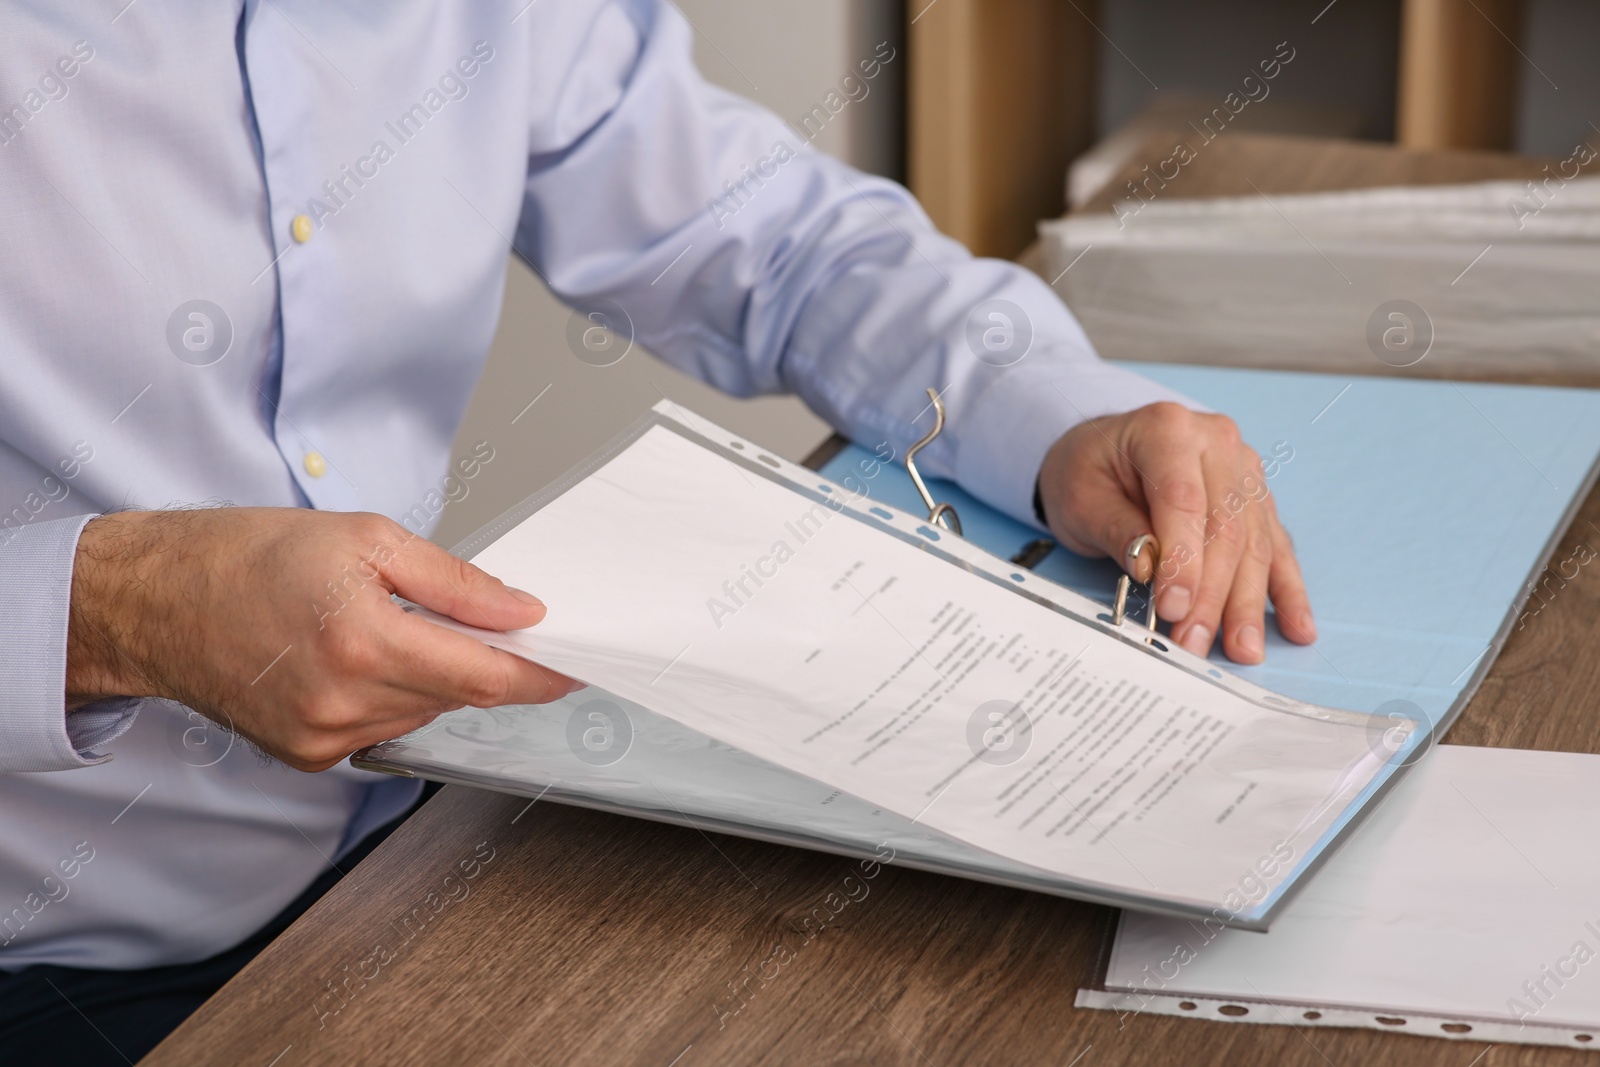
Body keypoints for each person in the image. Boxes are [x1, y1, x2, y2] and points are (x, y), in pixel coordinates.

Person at [0, 1, 1315, 1060]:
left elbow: (777, 243)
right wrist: (127, 604)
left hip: (417, 842)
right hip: (56, 960)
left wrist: (1056, 419)